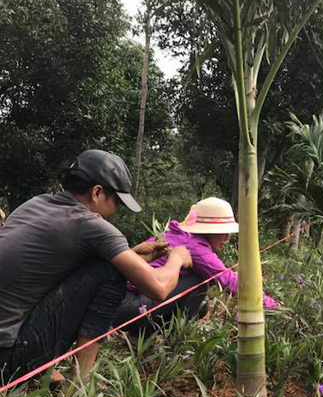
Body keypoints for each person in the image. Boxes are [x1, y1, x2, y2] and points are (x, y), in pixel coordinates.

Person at [0, 149, 193, 383]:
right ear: (97, 192)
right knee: (112, 271)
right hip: (8, 358)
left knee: (108, 264)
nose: (115, 211)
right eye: (117, 202)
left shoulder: (34, 204)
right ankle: (82, 384)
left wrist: (130, 254)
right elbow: (159, 287)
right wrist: (178, 259)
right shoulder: (91, 225)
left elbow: (56, 270)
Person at [114, 197, 278, 338]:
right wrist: (272, 306)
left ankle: (141, 335)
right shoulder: (196, 248)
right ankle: (175, 340)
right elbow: (229, 280)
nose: (227, 238)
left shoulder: (179, 236)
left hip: (122, 302)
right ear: (209, 231)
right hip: (131, 308)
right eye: (223, 232)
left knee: (201, 306)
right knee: (199, 281)